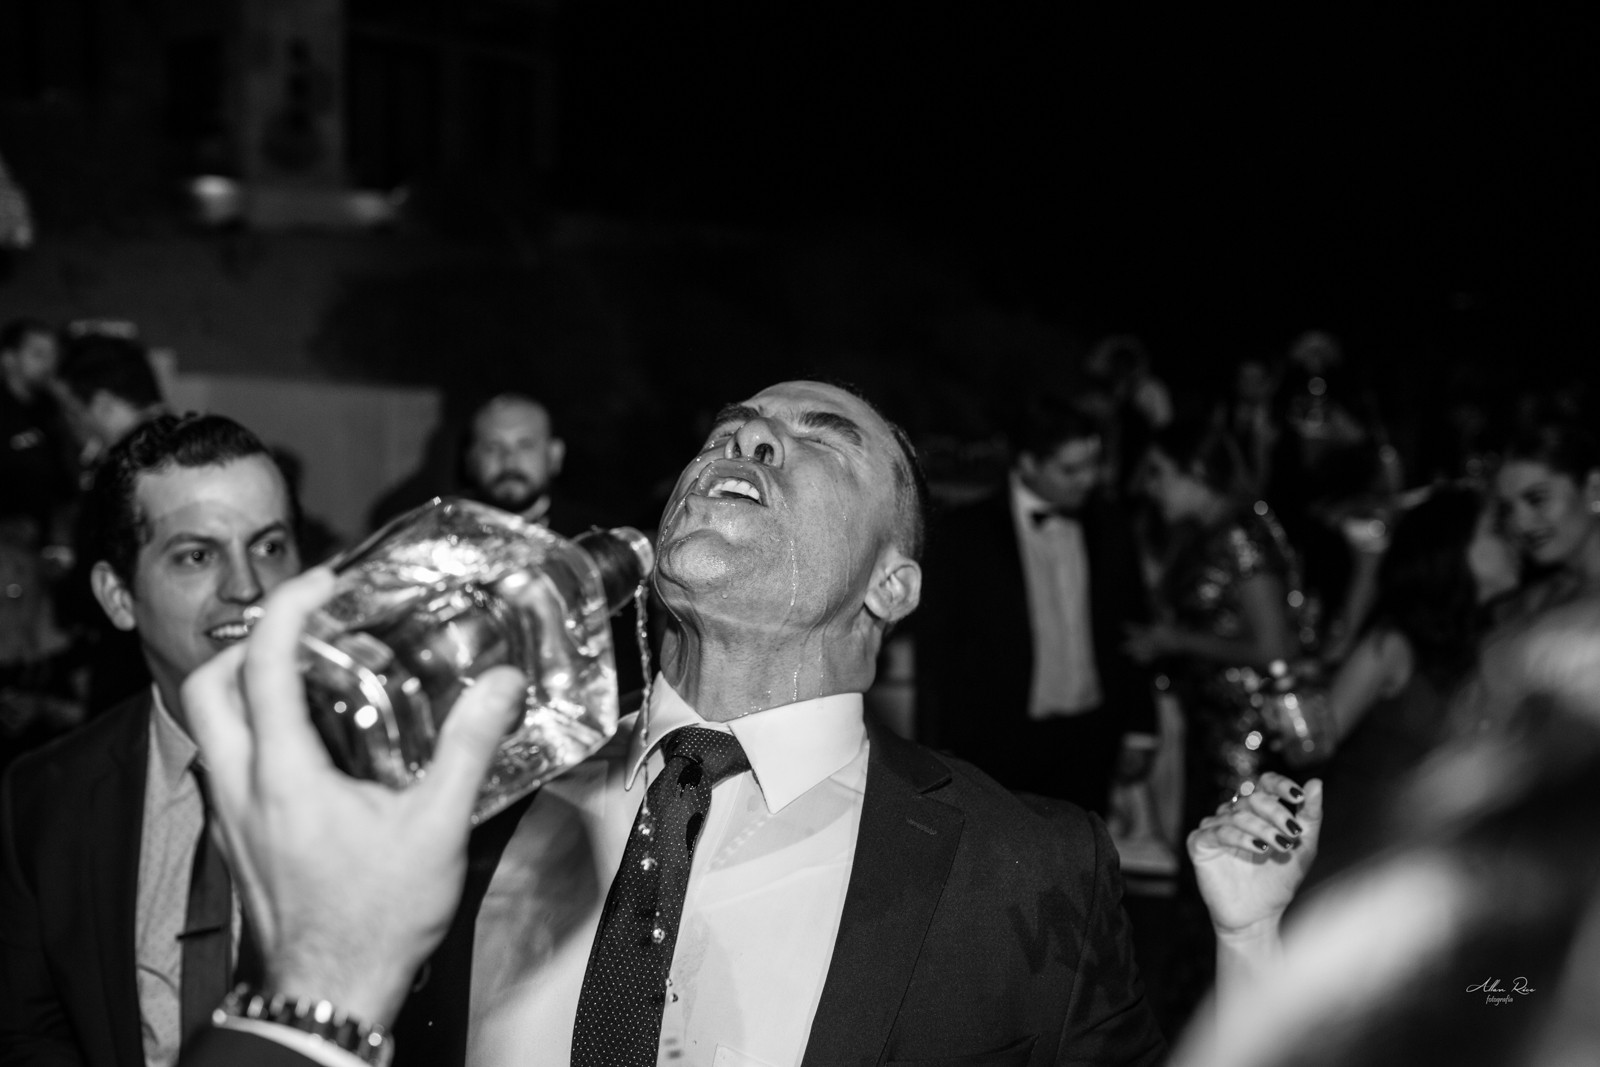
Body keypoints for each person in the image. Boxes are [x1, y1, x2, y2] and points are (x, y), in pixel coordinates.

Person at [170, 380, 1325, 1067]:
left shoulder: (1025, 865)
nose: (749, 441)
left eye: (821, 439)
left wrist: (1246, 940)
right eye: (731, 428)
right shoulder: (474, 789)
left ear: (891, 584)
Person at [0, 413, 302, 1066]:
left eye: (270, 547)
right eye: (198, 555)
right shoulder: (44, 799)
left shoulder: (378, 770)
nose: (246, 586)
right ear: (118, 596)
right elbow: (29, 1035)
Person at [917, 396, 1158, 816]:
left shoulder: (1111, 524)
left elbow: (1132, 630)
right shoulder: (965, 534)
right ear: (1028, 463)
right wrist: (937, 747)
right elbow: (939, 647)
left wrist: (1140, 728)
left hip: (1091, 736)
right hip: (997, 740)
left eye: (1094, 464)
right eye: (1070, 470)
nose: (1088, 480)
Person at [1297, 484, 1519, 892]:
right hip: (1360, 860)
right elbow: (1317, 742)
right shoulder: (1393, 645)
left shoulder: (1495, 643)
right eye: (1495, 530)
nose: (1514, 539)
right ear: (1453, 547)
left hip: (1432, 862)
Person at [1126, 417, 1304, 830]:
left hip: (1246, 734)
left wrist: (1177, 640)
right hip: (1212, 727)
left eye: (1158, 472)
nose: (1149, 487)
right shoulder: (1204, 534)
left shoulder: (1241, 533)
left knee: (1235, 846)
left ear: (1197, 470)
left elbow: (1274, 648)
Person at [1493, 420, 1600, 624]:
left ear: (1594, 490)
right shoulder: (1538, 599)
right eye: (1508, 509)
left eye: (1537, 499)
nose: (1520, 524)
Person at [0, 318, 75, 545]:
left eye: (53, 355)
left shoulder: (52, 408)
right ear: (9, 358)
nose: (49, 364)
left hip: (50, 537)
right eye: (38, 354)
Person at [57, 331, 169, 465]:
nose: (71, 426)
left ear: (103, 405)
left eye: (74, 414)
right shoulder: (173, 443)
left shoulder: (144, 464)